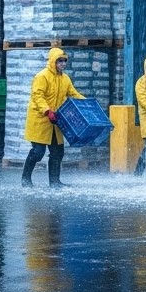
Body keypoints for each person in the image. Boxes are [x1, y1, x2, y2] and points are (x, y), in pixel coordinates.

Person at [23, 46, 84, 188]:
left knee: (57, 151)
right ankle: (25, 179)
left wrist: (86, 103)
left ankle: (54, 181)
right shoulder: (42, 76)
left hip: (56, 121)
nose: (62, 63)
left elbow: (73, 93)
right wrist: (47, 111)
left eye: (64, 61)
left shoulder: (65, 79)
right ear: (52, 61)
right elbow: (38, 96)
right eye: (59, 61)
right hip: (40, 120)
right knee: (38, 152)